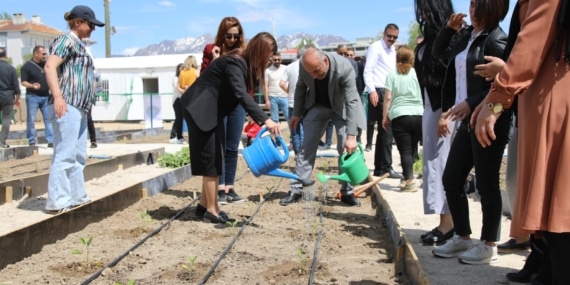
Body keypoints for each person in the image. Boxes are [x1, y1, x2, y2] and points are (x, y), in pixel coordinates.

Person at [474, 0, 569, 282]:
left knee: (556, 203)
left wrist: (496, 100)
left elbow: (530, 42)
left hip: (552, 97)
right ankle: (545, 267)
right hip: (549, 93)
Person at [430, 0, 510, 265]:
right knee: (451, 178)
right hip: (467, 120)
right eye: (472, 4)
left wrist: (471, 102)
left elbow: (502, 86)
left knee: (487, 184)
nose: (471, 9)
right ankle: (462, 236)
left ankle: (488, 244)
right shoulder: (467, 35)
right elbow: (438, 54)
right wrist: (449, 30)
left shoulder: (496, 40)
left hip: (488, 120)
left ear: (492, 8)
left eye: (477, 5)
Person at [181, 32, 281, 223]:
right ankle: (212, 210)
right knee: (211, 159)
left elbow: (241, 95)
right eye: (267, 56)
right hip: (200, 110)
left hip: (210, 112)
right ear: (259, 51)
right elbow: (240, 93)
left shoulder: (242, 63)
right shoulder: (236, 62)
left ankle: (204, 205)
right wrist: (265, 120)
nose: (268, 61)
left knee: (216, 156)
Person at [280, 47, 366, 207]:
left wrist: (351, 136)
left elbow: (352, 101)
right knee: (307, 146)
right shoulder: (304, 65)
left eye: (316, 70)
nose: (313, 75)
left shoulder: (344, 67)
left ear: (325, 61)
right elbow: (300, 87)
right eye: (310, 72)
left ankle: (347, 192)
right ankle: (296, 189)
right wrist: (296, 114)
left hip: (341, 108)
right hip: (317, 105)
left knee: (345, 147)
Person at [44, 5, 104, 213]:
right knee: (65, 153)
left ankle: (77, 196)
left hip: (80, 106)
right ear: (77, 22)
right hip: (67, 103)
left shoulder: (79, 45)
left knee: (78, 154)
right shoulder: (65, 41)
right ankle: (58, 201)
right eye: (90, 25)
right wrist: (58, 97)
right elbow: (50, 66)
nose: (92, 30)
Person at [413, 0, 456, 246]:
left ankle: (448, 224)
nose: (422, 14)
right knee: (433, 166)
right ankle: (445, 221)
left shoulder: (449, 38)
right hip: (431, 107)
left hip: (444, 110)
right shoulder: (429, 39)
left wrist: (445, 113)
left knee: (442, 165)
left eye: (426, 8)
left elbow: (450, 79)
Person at [200, 17, 247, 204]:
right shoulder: (211, 50)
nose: (232, 39)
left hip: (237, 104)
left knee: (232, 147)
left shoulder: (243, 52)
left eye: (236, 36)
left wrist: (249, 105)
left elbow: (247, 80)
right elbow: (204, 77)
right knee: (218, 146)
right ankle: (218, 188)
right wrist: (214, 60)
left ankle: (229, 187)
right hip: (218, 103)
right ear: (222, 34)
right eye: (228, 35)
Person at [381, 46, 423, 192]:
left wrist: (385, 117)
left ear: (397, 58)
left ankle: (410, 181)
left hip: (400, 115)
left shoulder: (392, 75)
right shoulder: (416, 73)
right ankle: (406, 177)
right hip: (418, 114)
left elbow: (387, 97)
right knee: (412, 149)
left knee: (404, 150)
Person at [363, 24, 402, 179]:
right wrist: (371, 90)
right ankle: (387, 167)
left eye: (394, 37)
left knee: (383, 131)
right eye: (389, 36)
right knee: (387, 129)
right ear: (384, 34)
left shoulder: (393, 50)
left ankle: (379, 167)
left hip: (389, 91)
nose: (391, 39)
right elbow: (368, 70)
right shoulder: (376, 47)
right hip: (379, 91)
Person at [21, 45, 53, 148]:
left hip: (45, 96)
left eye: (45, 53)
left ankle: (51, 140)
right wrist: (32, 85)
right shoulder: (27, 66)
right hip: (33, 96)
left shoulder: (46, 65)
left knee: (48, 119)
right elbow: (23, 82)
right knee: (31, 119)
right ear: (35, 53)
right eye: (43, 54)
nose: (45, 55)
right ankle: (31, 141)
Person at [279, 46, 309, 155]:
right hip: (307, 103)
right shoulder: (308, 65)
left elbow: (281, 83)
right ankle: (305, 155)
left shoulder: (289, 67)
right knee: (306, 130)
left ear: (297, 55)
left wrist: (290, 90)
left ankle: (298, 155)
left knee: (295, 132)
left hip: (292, 102)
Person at [174, 56, 199, 144]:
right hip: (194, 98)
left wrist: (185, 90)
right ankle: (194, 136)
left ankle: (185, 137)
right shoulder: (195, 72)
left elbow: (178, 87)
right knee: (194, 117)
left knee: (185, 117)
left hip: (184, 98)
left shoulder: (182, 73)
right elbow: (199, 85)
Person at [0, 47, 21, 149]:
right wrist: (17, 99)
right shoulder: (11, 69)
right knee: (6, 118)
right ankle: (2, 141)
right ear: (6, 56)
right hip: (8, 96)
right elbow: (16, 86)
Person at [264, 52, 288, 124]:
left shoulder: (286, 68)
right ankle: (277, 135)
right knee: (274, 120)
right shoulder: (267, 71)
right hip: (272, 97)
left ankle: (294, 135)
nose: (277, 61)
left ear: (281, 59)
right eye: (275, 60)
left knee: (289, 117)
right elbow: (265, 85)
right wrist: (267, 100)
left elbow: (291, 81)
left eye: (278, 59)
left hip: (284, 96)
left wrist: (289, 92)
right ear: (271, 60)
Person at [169, 63, 184, 144]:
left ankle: (179, 136)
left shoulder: (183, 78)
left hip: (182, 100)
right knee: (178, 118)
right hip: (177, 100)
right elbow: (177, 89)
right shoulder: (176, 78)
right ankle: (173, 136)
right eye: (181, 68)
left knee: (181, 119)